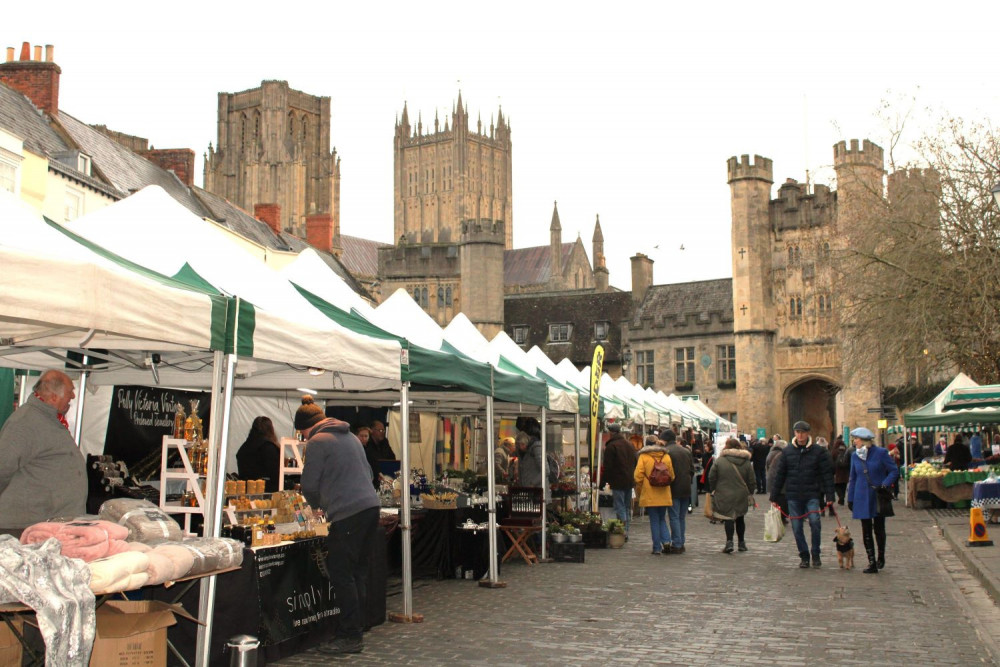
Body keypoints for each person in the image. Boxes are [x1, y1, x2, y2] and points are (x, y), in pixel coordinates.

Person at [298, 395, 380, 656]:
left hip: (348, 513)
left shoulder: (317, 442)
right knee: (357, 573)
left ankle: (350, 636)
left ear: (306, 428)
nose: (302, 437)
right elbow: (368, 474)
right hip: (369, 508)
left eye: (301, 433)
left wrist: (317, 505)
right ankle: (357, 626)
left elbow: (309, 484)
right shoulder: (351, 438)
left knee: (342, 573)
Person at [0, 370, 86, 536]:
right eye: (70, 392)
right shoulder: (24, 422)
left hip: (42, 524)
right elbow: (2, 466)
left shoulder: (49, 419)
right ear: (53, 396)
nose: (73, 397)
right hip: (23, 526)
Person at [770, 420, 835, 568]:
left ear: (808, 433)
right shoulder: (787, 452)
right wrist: (774, 496)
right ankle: (804, 555)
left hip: (812, 494)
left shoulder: (818, 451)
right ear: (794, 433)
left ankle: (815, 553)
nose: (800, 435)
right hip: (793, 495)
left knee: (814, 522)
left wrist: (830, 496)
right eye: (798, 432)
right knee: (797, 526)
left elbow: (827, 475)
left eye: (803, 432)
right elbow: (780, 475)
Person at [846, 426, 899, 573]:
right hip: (861, 496)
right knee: (866, 529)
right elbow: (853, 477)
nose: (854, 441)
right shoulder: (855, 456)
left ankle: (881, 556)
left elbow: (894, 471)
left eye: (856, 439)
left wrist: (885, 484)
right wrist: (850, 498)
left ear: (864, 441)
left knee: (879, 528)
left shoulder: (880, 453)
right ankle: (871, 561)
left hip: (877, 495)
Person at [708, 437, 756, 553]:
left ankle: (729, 542)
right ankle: (741, 543)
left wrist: (714, 489)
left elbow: (711, 476)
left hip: (724, 493)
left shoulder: (720, 460)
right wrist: (750, 492)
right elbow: (751, 480)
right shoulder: (746, 461)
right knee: (740, 517)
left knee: (728, 518)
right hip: (741, 494)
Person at [633, 435, 674, 555]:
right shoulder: (666, 456)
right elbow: (672, 475)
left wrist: (641, 487)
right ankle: (666, 541)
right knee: (662, 518)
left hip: (649, 492)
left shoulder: (644, 456)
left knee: (654, 520)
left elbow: (637, 476)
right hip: (664, 492)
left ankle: (656, 547)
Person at [602, 423, 638, 538]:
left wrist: (602, 482)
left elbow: (607, 467)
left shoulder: (612, 447)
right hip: (629, 481)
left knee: (620, 507)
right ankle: (626, 530)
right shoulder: (630, 445)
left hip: (617, 481)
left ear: (611, 433)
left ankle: (623, 532)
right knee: (626, 507)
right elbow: (635, 462)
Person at [661, 429, 692, 553]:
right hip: (686, 487)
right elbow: (691, 469)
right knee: (681, 517)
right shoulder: (686, 451)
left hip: (674, 487)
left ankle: (677, 544)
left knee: (674, 517)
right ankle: (681, 542)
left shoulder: (667, 452)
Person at [236, 416, 282, 492]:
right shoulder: (269, 448)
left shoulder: (244, 447)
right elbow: (275, 475)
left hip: (245, 491)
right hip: (266, 492)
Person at [766, 439, 789, 524]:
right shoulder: (781, 455)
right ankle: (781, 517)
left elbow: (767, 464)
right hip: (778, 479)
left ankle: (781, 516)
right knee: (781, 499)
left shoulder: (771, 453)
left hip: (772, 478)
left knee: (777, 499)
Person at [830, 435, 850, 505]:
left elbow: (831, 460)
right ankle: (843, 497)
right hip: (845, 471)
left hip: (837, 470)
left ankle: (840, 496)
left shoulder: (834, 450)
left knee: (837, 485)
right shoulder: (846, 450)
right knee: (843, 485)